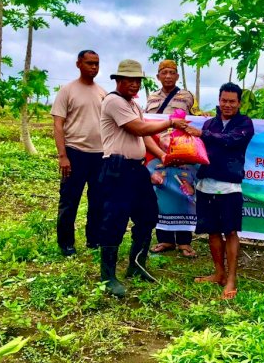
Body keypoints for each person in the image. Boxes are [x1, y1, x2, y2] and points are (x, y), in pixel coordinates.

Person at [98, 59, 187, 297]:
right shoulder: (114, 101)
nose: (135, 85)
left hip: (136, 168)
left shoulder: (132, 104)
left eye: (137, 81)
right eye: (129, 80)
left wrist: (162, 155)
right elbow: (138, 129)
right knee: (115, 220)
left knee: (147, 215)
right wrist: (170, 121)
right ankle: (107, 276)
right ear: (118, 80)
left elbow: (143, 137)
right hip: (116, 168)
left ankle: (137, 265)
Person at [183, 82, 254, 300]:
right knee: (213, 231)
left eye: (232, 101)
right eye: (224, 100)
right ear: (219, 100)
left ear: (239, 103)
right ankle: (219, 273)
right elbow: (198, 152)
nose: (227, 105)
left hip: (230, 187)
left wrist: (203, 134)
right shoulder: (209, 123)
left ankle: (232, 278)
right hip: (206, 186)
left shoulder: (244, 124)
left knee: (230, 232)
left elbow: (231, 141)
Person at [51, 50, 107, 256]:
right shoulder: (68, 91)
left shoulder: (102, 92)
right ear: (78, 64)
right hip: (75, 153)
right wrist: (62, 155)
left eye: (97, 64)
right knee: (69, 199)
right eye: (89, 63)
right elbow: (58, 125)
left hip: (100, 155)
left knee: (98, 199)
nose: (94, 67)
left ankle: (94, 239)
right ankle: (66, 243)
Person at [146, 59, 198, 257]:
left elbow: (193, 117)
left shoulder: (186, 96)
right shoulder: (151, 98)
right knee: (161, 192)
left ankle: (184, 242)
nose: (168, 76)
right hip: (157, 151)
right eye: (164, 72)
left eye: (172, 72)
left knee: (184, 191)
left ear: (177, 76)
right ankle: (165, 240)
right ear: (158, 76)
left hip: (181, 150)